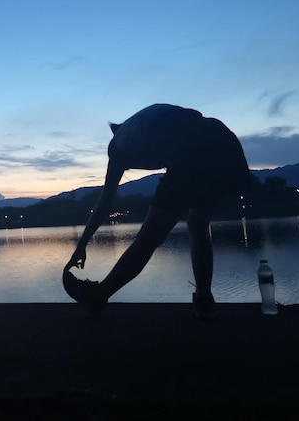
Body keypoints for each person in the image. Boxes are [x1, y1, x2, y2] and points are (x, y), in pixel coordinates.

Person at [63, 103, 251, 318]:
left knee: (147, 239)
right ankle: (204, 299)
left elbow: (105, 201)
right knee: (198, 225)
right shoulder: (147, 124)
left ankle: (98, 297)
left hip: (193, 150)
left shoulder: (118, 148)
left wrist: (82, 245)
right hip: (224, 140)